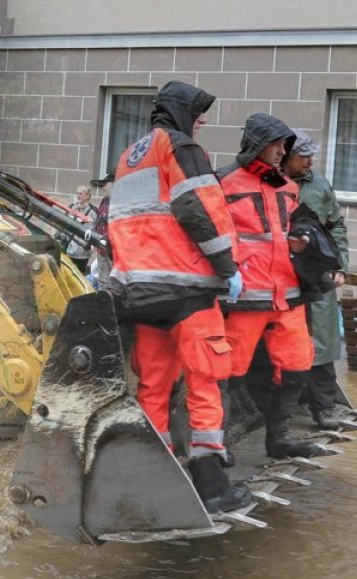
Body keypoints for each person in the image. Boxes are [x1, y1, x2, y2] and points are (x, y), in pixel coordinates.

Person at [106, 81, 251, 513]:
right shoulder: (182, 146)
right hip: (187, 288)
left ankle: (155, 480)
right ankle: (212, 488)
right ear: (183, 112)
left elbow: (122, 222)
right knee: (205, 380)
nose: (202, 120)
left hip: (140, 291)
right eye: (199, 112)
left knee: (153, 386)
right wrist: (229, 267)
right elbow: (201, 209)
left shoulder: (129, 156)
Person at [215, 114, 323, 458]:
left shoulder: (287, 187)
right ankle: (217, 444)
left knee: (297, 367)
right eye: (275, 144)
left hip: (287, 294)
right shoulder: (222, 182)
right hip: (245, 295)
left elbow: (288, 231)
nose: (282, 151)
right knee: (227, 374)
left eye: (283, 145)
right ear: (257, 145)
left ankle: (279, 438)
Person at [281, 129, 350, 429]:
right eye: (304, 156)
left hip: (318, 274)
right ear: (286, 155)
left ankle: (324, 408)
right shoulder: (271, 183)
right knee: (283, 342)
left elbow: (336, 225)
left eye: (312, 155)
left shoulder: (319, 186)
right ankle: (280, 412)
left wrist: (339, 265)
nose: (310, 161)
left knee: (321, 340)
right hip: (280, 275)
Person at [65, 185, 99, 273]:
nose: (78, 195)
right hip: (70, 247)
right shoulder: (71, 206)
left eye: (81, 193)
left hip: (83, 250)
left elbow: (93, 230)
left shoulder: (93, 211)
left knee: (79, 274)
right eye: (77, 193)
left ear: (87, 196)